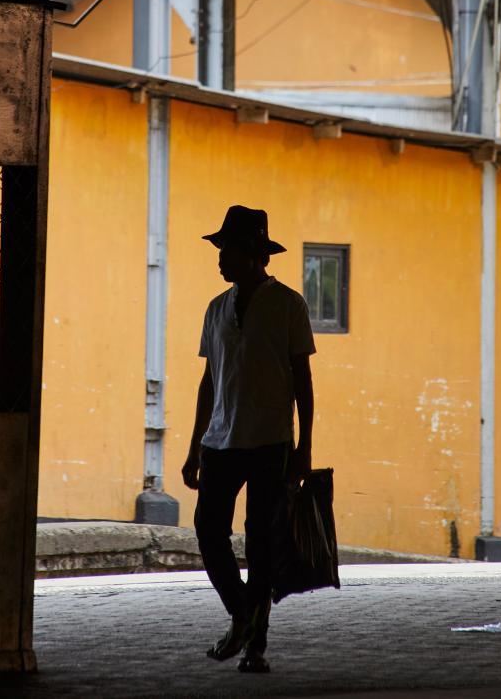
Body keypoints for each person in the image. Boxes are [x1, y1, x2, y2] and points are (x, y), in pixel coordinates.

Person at [181, 205, 316, 674]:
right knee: (208, 530)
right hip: (220, 442)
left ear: (254, 254)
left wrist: (305, 448)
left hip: (270, 442)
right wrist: (194, 447)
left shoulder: (288, 305)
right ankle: (243, 614)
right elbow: (208, 382)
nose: (219, 259)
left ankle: (255, 644)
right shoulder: (216, 309)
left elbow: (302, 380)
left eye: (228, 250)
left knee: (261, 543)